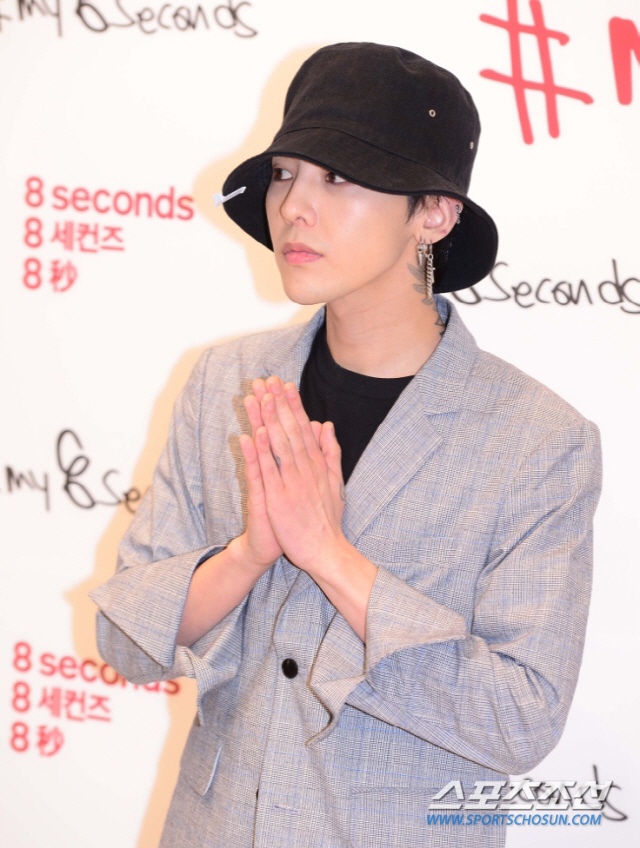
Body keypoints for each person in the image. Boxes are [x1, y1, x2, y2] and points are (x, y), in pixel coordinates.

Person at [90, 43, 602, 848]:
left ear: (434, 214)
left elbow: (518, 720)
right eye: (285, 173)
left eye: (338, 177)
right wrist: (248, 554)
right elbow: (124, 640)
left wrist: (330, 556)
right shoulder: (227, 382)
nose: (294, 206)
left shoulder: (537, 440)